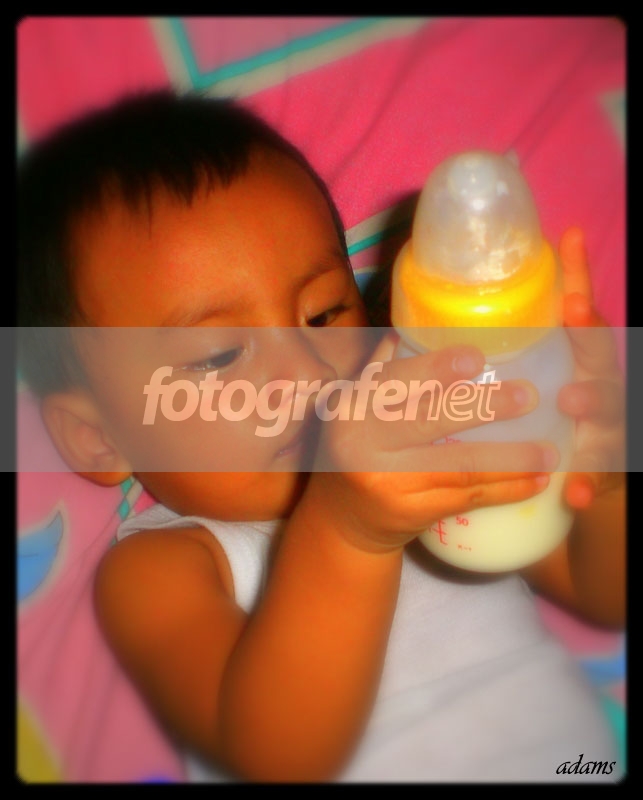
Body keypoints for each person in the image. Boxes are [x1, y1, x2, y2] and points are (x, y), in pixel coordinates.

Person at [18, 90, 625, 783]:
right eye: (219, 356)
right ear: (98, 438)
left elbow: (603, 592)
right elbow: (278, 756)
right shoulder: (160, 567)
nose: (305, 374)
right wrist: (347, 532)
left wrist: (600, 476)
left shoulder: (438, 454)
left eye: (325, 314)